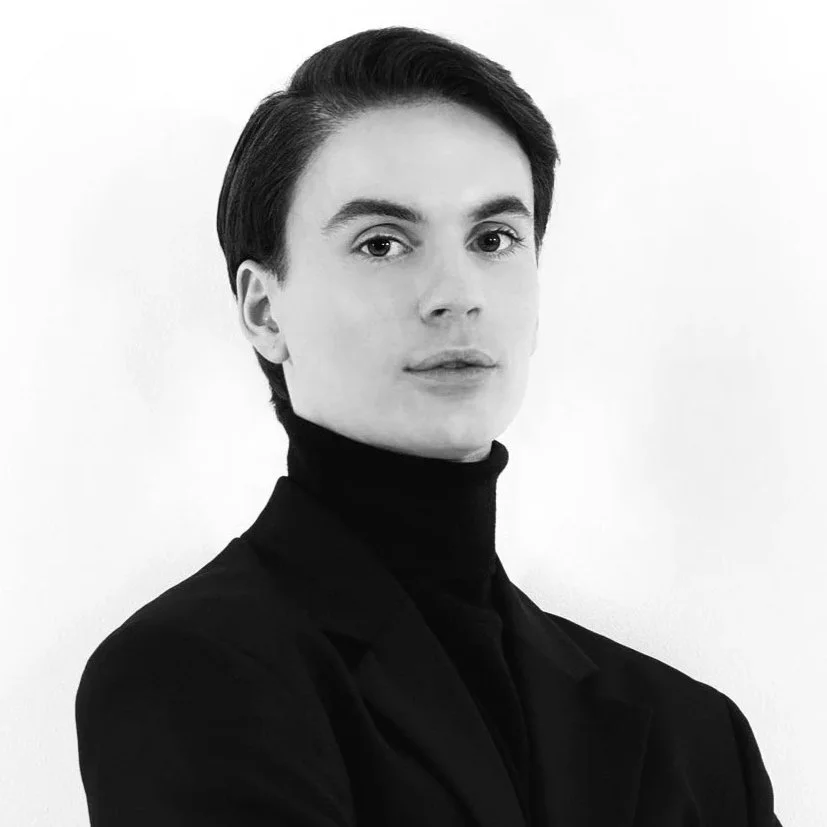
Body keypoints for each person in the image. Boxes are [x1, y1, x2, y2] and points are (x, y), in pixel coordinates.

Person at [74, 25, 782, 826]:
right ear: (264, 310)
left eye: (494, 238)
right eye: (382, 243)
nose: (456, 292)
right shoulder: (186, 671)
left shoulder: (693, 732)